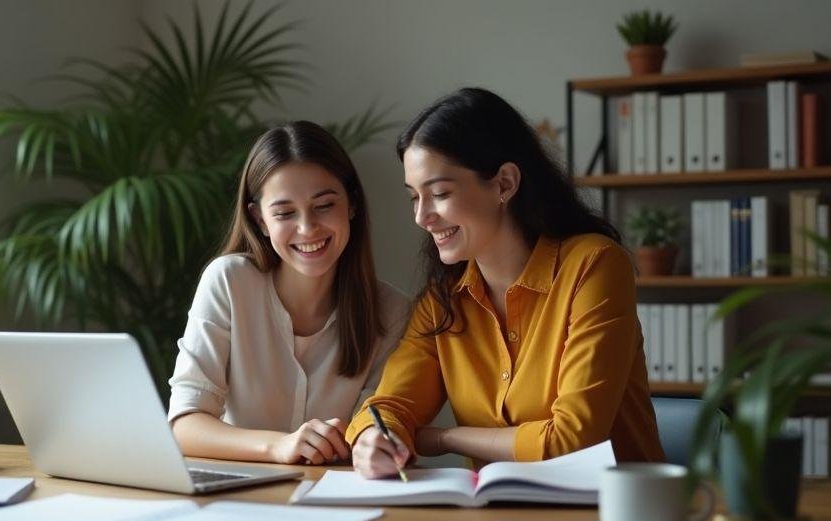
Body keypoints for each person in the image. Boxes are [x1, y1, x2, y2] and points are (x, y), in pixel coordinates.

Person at [348, 88, 665, 478]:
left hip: (614, 507)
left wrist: (445, 438)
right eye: (414, 197)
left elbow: (572, 441)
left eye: (440, 193)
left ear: (504, 184)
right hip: (499, 508)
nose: (422, 217)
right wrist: (376, 439)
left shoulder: (594, 265)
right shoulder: (444, 299)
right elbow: (389, 406)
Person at [168, 120, 408, 465]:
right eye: (284, 213)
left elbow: (373, 429)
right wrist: (278, 446)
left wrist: (377, 443)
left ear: (352, 204)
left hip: (337, 491)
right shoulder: (230, 282)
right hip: (243, 492)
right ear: (260, 220)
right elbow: (184, 425)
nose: (307, 228)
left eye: (324, 206)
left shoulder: (392, 311)